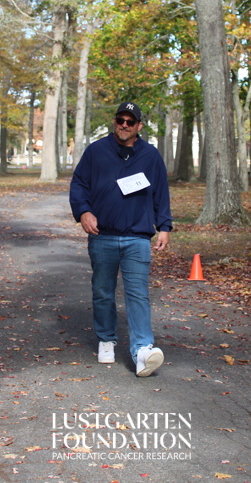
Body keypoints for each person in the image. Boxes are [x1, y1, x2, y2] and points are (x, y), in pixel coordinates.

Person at [69, 102, 172, 377]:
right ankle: (106, 339)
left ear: (139, 126)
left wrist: (164, 226)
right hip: (103, 236)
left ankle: (142, 350)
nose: (124, 125)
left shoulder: (150, 156)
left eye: (130, 121)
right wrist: (83, 212)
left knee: (138, 294)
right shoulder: (96, 151)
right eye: (120, 120)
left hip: (137, 237)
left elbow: (161, 192)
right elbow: (79, 184)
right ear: (114, 122)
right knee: (103, 291)